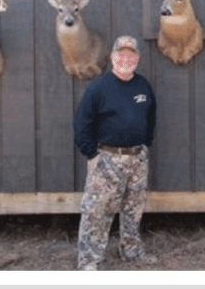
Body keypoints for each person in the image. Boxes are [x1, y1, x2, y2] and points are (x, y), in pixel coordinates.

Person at [74, 36, 157, 271]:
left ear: (137, 58)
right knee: (96, 213)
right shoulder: (99, 89)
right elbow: (82, 124)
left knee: (134, 210)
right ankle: (89, 262)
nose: (126, 59)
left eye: (131, 54)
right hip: (107, 160)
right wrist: (91, 154)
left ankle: (131, 252)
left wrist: (144, 146)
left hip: (138, 159)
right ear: (112, 57)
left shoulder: (143, 86)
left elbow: (150, 118)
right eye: (121, 54)